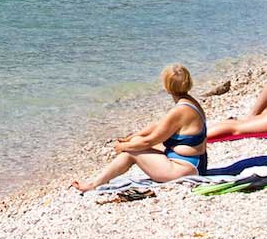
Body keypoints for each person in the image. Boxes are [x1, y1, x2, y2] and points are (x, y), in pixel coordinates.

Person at [70, 64, 208, 191]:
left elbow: (149, 142)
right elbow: (158, 126)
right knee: (136, 144)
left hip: (183, 169)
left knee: (131, 152)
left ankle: (93, 185)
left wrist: (124, 147)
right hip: (194, 163)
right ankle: (102, 180)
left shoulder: (180, 111)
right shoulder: (190, 103)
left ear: (166, 86)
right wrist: (132, 138)